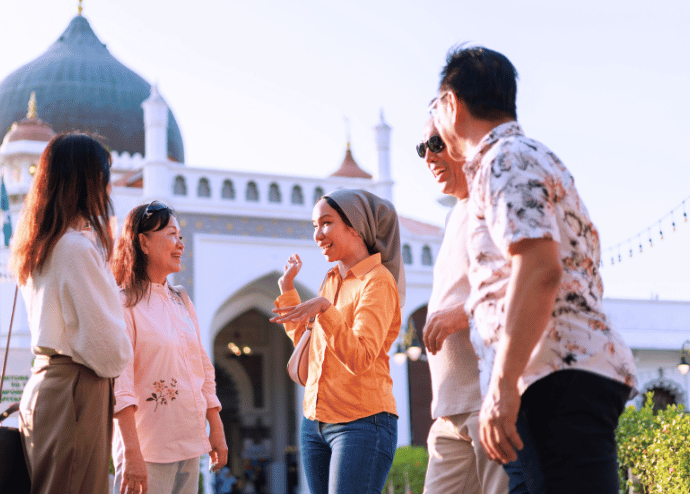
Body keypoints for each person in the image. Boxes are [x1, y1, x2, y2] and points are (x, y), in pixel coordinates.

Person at [430, 45, 638, 493]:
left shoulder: (505, 159)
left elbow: (540, 268)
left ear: (451, 104)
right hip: (557, 372)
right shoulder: (527, 157)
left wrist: (503, 386)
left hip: (553, 377)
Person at [10, 133, 133, 494]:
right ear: (86, 183)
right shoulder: (76, 249)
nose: (109, 190)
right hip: (76, 391)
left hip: (48, 385)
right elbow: (110, 351)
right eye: (103, 178)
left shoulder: (40, 246)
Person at [270, 188, 403, 494]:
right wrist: (287, 288)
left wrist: (324, 309)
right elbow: (309, 346)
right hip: (314, 423)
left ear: (354, 226)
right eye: (314, 226)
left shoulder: (378, 281)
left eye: (326, 223)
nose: (318, 234)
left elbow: (359, 357)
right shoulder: (331, 280)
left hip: (362, 423)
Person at [110, 201, 228, 494]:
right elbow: (119, 384)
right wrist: (131, 454)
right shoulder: (122, 303)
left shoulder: (180, 299)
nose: (180, 245)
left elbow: (202, 366)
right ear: (143, 242)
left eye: (181, 237)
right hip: (147, 451)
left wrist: (216, 426)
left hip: (188, 445)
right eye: (171, 235)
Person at [418, 117, 508, 494]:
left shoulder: (494, 197)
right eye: (421, 149)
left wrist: (461, 314)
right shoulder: (456, 213)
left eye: (435, 144)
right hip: (450, 409)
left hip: (488, 399)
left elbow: (523, 278)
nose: (428, 157)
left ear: (461, 143)